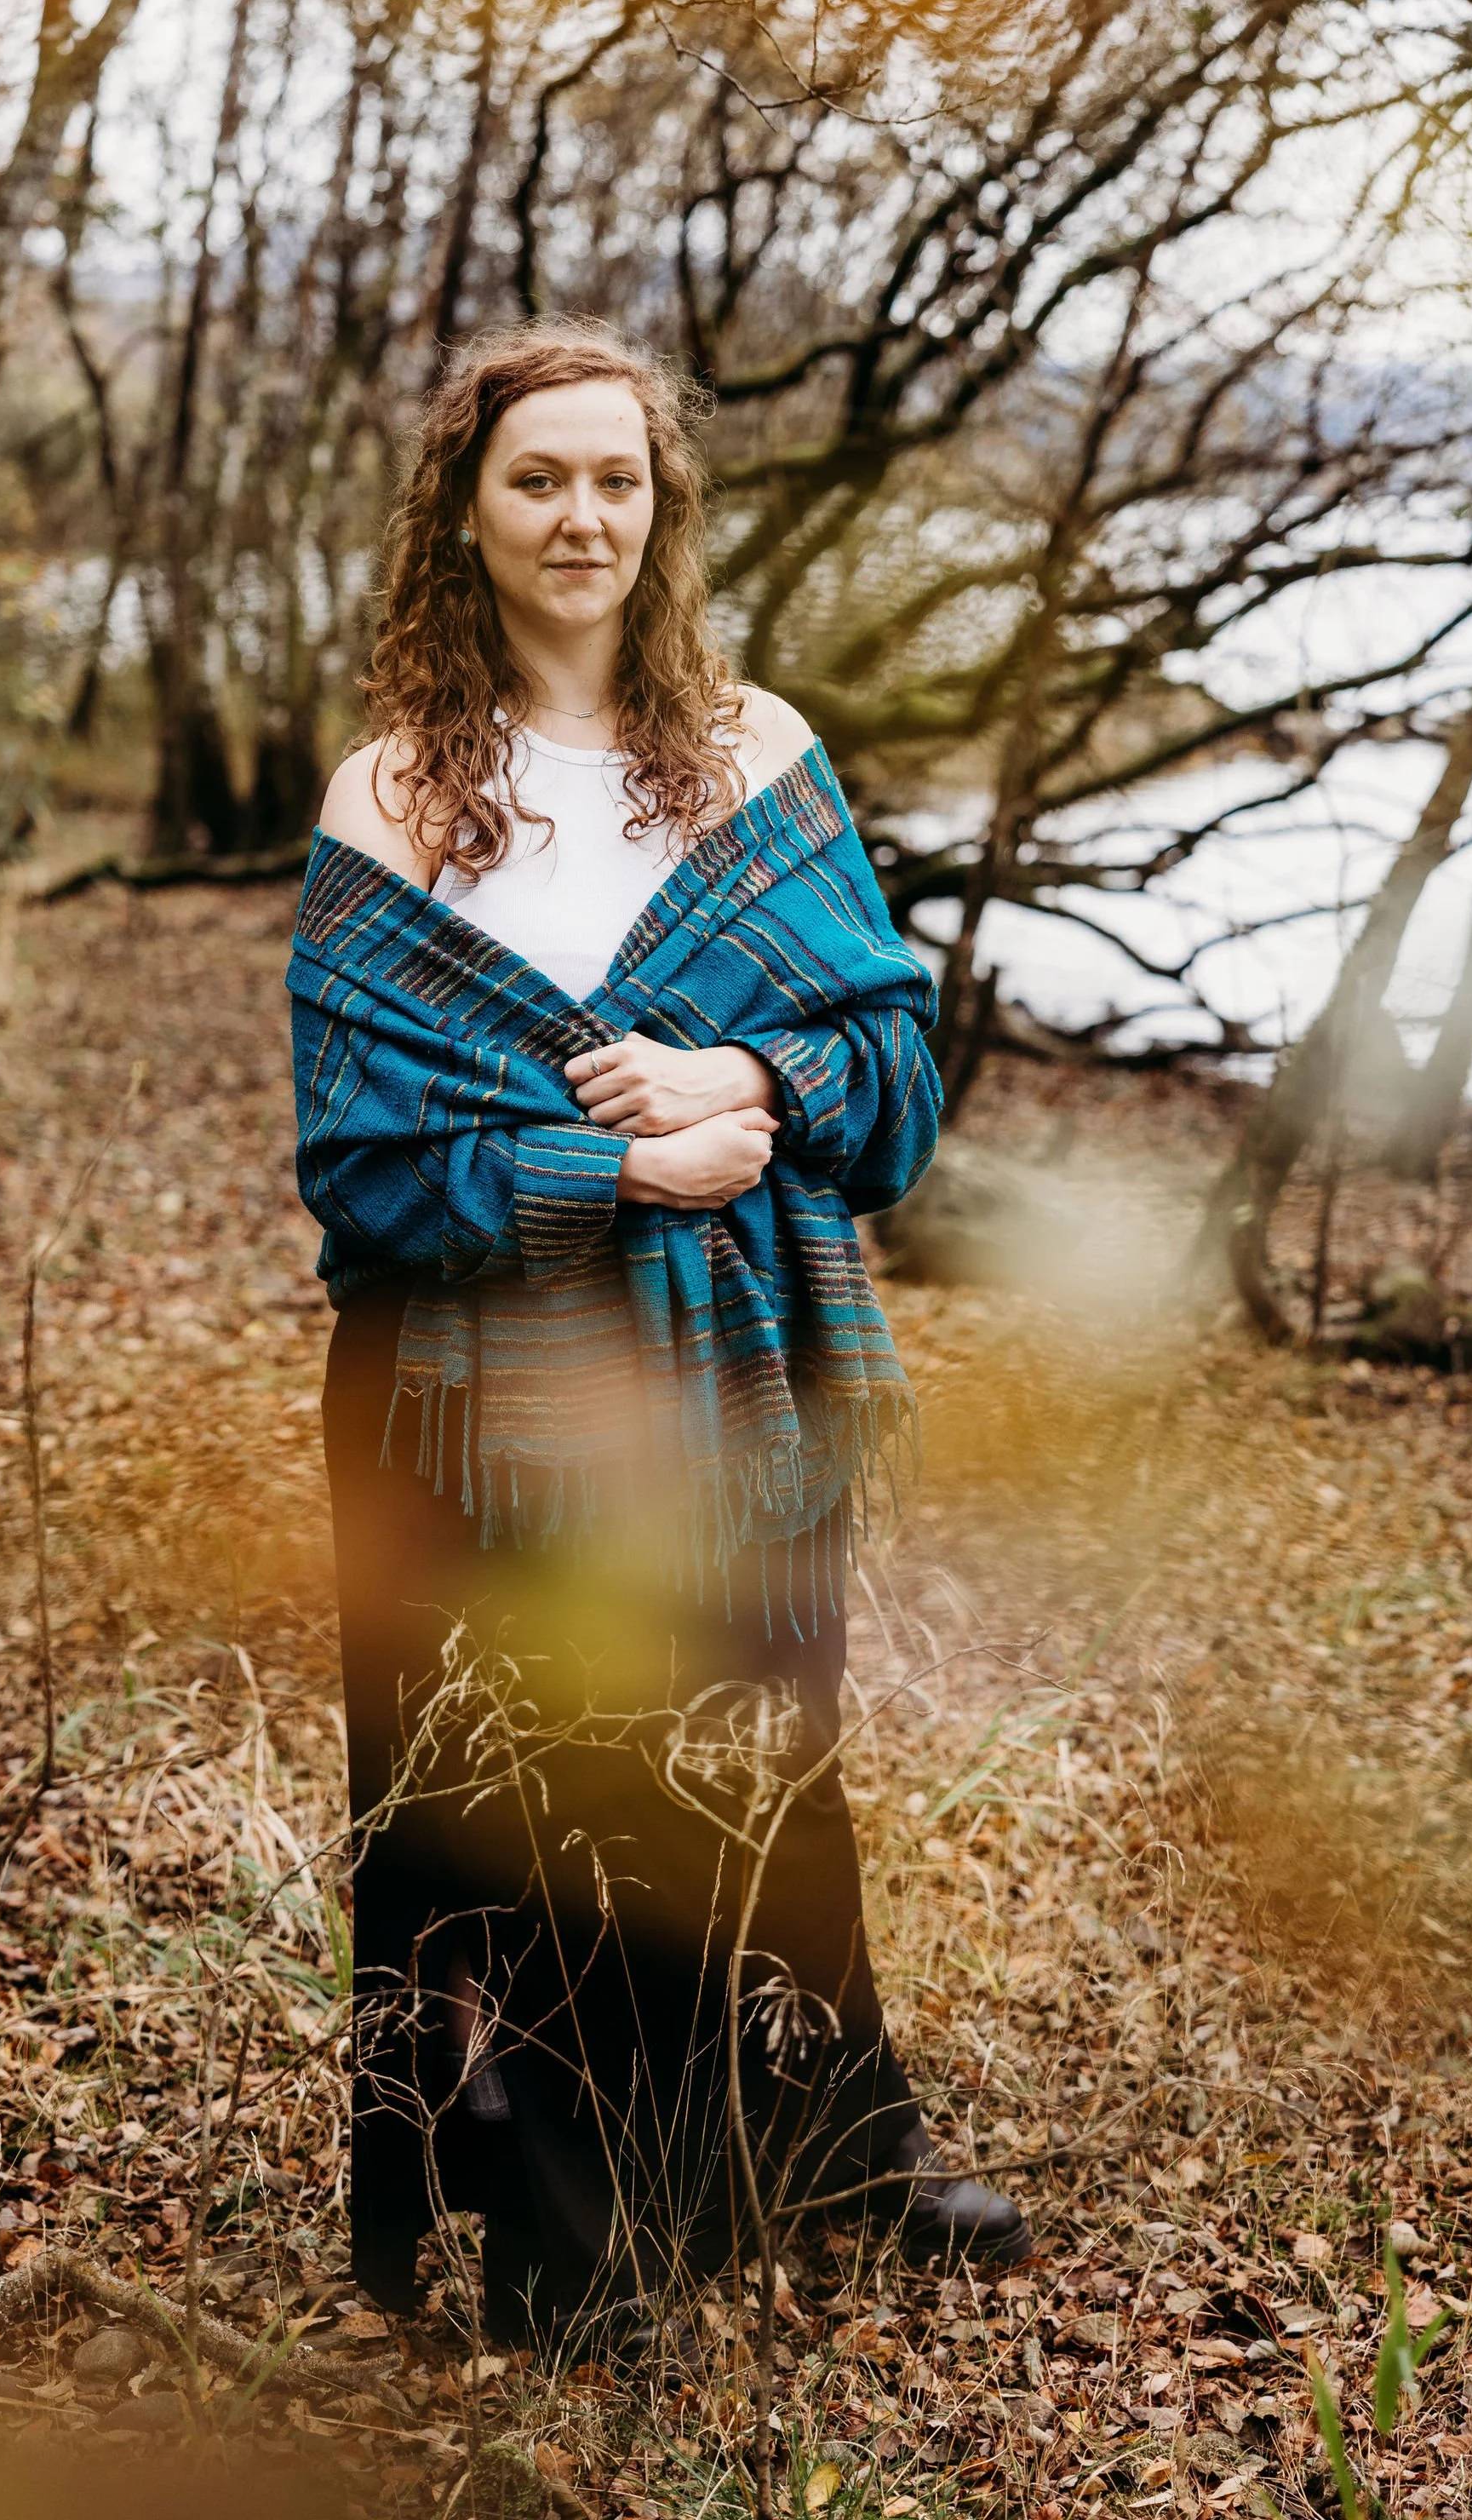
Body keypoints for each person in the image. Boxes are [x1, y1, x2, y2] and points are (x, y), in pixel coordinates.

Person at [289, 320, 1031, 2345]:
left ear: (663, 506)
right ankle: (558, 2232)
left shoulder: (760, 752)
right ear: (465, 509)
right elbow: (358, 1166)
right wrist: (609, 1174)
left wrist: (754, 1098)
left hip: (739, 1381)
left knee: (749, 1758)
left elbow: (889, 1074)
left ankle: (817, 2141)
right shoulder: (391, 797)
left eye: (617, 478)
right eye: (538, 478)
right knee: (506, 1793)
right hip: (468, 1410)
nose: (582, 515)